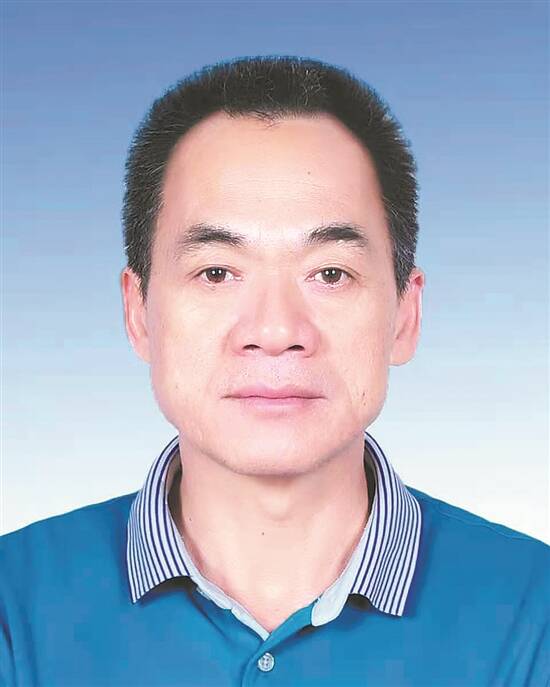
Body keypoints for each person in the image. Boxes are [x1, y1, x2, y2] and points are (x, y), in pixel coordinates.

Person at [1, 55, 548, 687]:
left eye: (330, 273)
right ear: (138, 312)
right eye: (216, 273)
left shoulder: (534, 613)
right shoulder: (15, 605)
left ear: (405, 314)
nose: (276, 330)